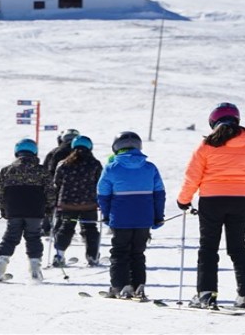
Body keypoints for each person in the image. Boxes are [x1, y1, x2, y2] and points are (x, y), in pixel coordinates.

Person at [177, 102, 245, 310]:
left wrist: (184, 200)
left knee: (208, 248)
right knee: (238, 248)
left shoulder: (207, 146)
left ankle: (206, 295)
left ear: (213, 122)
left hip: (212, 201)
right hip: (241, 201)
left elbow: (192, 177)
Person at [97, 131, 166, 299]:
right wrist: (158, 216)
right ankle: (138, 285)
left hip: (120, 219)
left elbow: (103, 195)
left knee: (120, 252)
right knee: (138, 253)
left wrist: (107, 215)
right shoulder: (150, 168)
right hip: (144, 219)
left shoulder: (111, 168)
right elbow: (159, 194)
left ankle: (120, 286)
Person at [0, 138, 56, 283]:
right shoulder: (41, 171)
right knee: (33, 237)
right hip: (35, 211)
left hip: (14, 211)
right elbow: (50, 192)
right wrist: (49, 208)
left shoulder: (7, 170)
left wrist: (4, 209)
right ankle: (35, 270)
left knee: (10, 238)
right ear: (34, 152)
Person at [52, 135, 103, 267]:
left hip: (68, 204)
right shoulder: (95, 164)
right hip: (89, 204)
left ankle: (59, 254)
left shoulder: (63, 164)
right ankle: (92, 255)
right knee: (90, 228)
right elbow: (100, 183)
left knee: (66, 227)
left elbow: (57, 183)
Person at [41, 128, 80, 236]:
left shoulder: (55, 152)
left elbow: (46, 169)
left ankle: (46, 227)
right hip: (80, 188)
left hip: (56, 186)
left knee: (51, 206)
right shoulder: (82, 152)